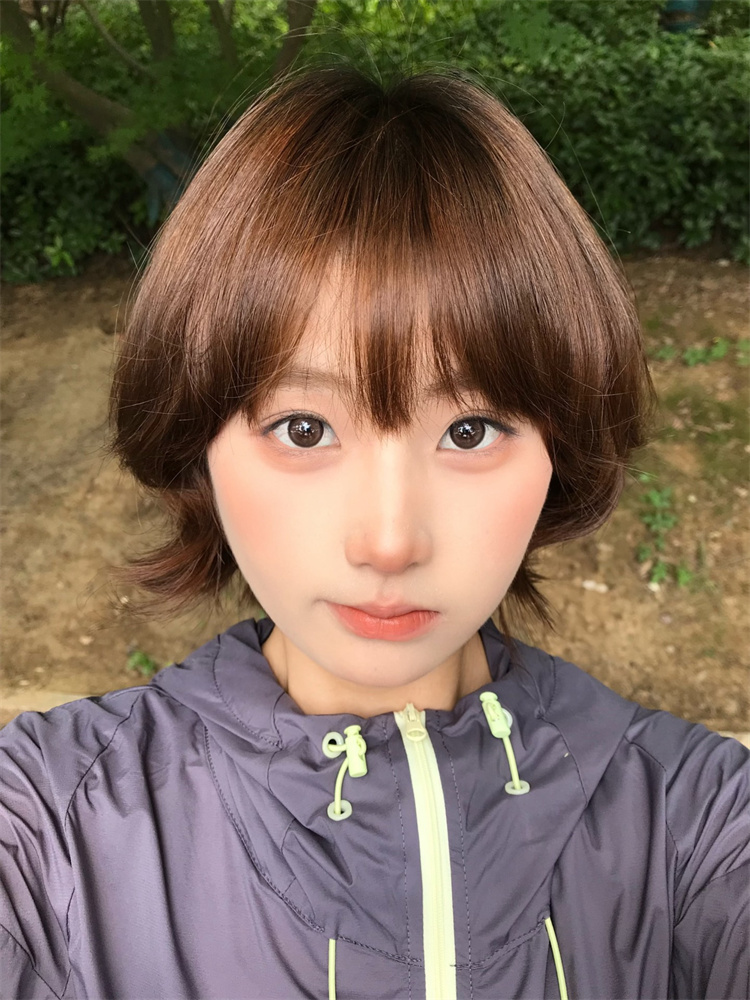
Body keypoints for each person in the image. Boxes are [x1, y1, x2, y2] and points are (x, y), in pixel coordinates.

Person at [1, 65, 747, 1000]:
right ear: (198, 441)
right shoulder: (49, 831)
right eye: (303, 428)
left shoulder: (696, 826)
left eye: (470, 431)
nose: (390, 542)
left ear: (559, 447)